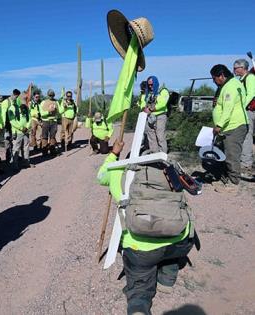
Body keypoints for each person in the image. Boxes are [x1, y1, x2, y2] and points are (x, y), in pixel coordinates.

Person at [98, 139, 195, 315]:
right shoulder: (172, 171)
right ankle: (167, 280)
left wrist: (114, 154)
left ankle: (139, 306)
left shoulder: (119, 171)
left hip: (141, 248)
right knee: (169, 252)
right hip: (179, 241)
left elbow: (100, 176)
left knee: (140, 279)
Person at [210, 64, 248, 192]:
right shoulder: (226, 86)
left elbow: (228, 108)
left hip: (235, 125)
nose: (214, 81)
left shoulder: (231, 86)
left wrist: (219, 125)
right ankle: (226, 179)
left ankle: (234, 183)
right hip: (228, 127)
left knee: (232, 155)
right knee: (225, 154)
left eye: (214, 78)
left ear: (221, 75)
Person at [233, 59, 255, 177]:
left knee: (247, 135)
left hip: (250, 110)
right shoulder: (241, 80)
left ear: (243, 68)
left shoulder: (250, 78)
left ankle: (246, 163)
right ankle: (246, 162)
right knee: (246, 135)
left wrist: (241, 107)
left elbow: (251, 94)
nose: (234, 70)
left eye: (236, 68)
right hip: (248, 110)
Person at [142, 76, 170, 153]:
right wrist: (144, 108)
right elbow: (144, 102)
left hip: (160, 116)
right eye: (149, 85)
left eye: (152, 84)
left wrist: (150, 109)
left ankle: (163, 155)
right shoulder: (148, 92)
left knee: (160, 135)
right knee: (151, 136)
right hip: (149, 116)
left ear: (156, 83)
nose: (150, 86)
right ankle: (154, 154)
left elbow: (162, 104)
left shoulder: (163, 91)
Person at [8, 99, 32, 169]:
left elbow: (30, 119)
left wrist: (27, 127)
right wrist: (21, 128)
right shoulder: (13, 110)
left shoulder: (26, 109)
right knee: (16, 149)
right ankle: (15, 165)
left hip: (26, 132)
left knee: (26, 147)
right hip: (18, 132)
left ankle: (26, 162)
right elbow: (12, 121)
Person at [0, 89, 21, 163]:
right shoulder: (6, 102)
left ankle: (15, 155)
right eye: (15, 95)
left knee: (15, 141)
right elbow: (3, 114)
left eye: (17, 96)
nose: (16, 97)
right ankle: (8, 157)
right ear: (12, 94)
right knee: (7, 141)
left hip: (14, 125)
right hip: (7, 125)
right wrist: (3, 124)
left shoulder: (15, 102)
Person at [39, 89, 59, 156]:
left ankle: (52, 150)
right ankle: (44, 151)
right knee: (44, 136)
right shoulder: (43, 102)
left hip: (54, 121)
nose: (51, 96)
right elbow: (41, 113)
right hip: (45, 121)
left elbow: (59, 112)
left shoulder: (57, 102)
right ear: (47, 95)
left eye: (52, 95)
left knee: (52, 137)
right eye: (50, 95)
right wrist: (49, 111)